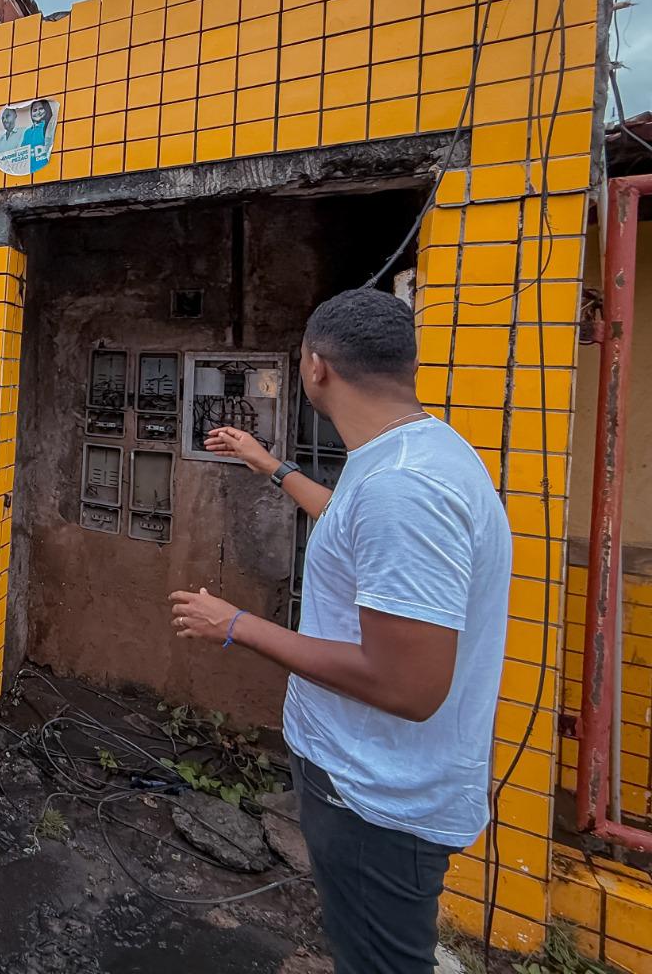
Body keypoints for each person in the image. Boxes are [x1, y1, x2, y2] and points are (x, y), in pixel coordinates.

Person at [169, 288, 512, 974]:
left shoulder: (404, 489)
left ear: (315, 365)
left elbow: (407, 686)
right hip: (370, 784)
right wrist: (270, 465)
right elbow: (353, 522)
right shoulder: (415, 451)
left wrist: (235, 625)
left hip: (377, 800)